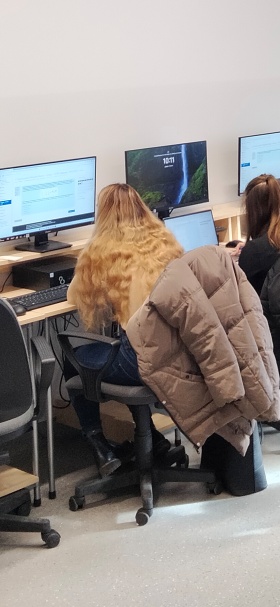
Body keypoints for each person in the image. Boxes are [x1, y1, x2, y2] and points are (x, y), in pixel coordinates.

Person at [66, 183, 183, 477]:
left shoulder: (101, 252)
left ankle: (99, 445)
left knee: (73, 360)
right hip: (178, 354)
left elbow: (73, 297)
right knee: (125, 346)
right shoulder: (166, 242)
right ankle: (154, 439)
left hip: (140, 362)